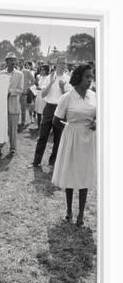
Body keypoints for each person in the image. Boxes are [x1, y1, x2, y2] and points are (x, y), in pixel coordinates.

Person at [51, 64, 96, 227]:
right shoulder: (67, 97)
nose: (90, 80)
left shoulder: (94, 96)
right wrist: (70, 131)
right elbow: (56, 121)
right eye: (87, 77)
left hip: (89, 139)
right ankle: (69, 210)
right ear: (78, 78)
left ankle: (81, 214)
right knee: (70, 173)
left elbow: (100, 115)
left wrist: (96, 123)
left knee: (84, 174)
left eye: (92, 77)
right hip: (71, 138)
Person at [30, 57, 71, 167]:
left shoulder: (68, 78)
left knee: (58, 138)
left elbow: (67, 98)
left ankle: (52, 162)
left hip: (60, 109)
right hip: (49, 108)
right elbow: (43, 95)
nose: (63, 65)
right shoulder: (49, 77)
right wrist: (51, 83)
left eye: (65, 63)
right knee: (43, 136)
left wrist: (62, 88)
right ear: (56, 64)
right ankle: (36, 161)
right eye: (61, 63)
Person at [0, 52, 24, 156]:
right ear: (6, 62)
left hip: (13, 105)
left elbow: (20, 90)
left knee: (13, 128)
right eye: (10, 60)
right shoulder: (0, 74)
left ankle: (12, 148)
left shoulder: (20, 74)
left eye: (14, 60)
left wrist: (11, 92)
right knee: (1, 127)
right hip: (2, 106)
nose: (13, 62)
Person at [34, 64, 50, 129]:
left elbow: (48, 88)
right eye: (41, 70)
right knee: (38, 111)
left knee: (44, 112)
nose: (41, 71)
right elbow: (38, 85)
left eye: (43, 70)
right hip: (38, 96)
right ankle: (39, 126)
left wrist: (40, 89)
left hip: (44, 98)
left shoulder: (48, 78)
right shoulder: (40, 77)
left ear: (46, 70)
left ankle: (44, 127)